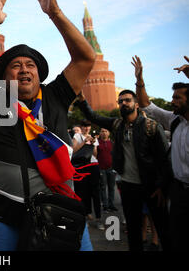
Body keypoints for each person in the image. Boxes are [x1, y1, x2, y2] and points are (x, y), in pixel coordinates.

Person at [0, 0, 96, 251]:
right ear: (5, 78)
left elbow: (85, 57)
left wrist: (55, 13)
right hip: (10, 215)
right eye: (15, 65)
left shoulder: (54, 95)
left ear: (38, 73)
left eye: (30, 65)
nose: (24, 69)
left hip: (62, 209)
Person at [73, 89, 171, 251]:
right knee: (133, 231)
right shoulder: (117, 125)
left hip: (152, 186)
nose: (123, 103)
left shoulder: (152, 126)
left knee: (163, 229)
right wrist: (83, 101)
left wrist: (162, 186)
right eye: (120, 101)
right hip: (129, 186)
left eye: (127, 100)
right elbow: (94, 117)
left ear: (136, 104)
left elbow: (164, 160)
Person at [132, 54, 189, 251]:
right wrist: (139, 82)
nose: (172, 101)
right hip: (179, 192)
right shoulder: (175, 121)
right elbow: (148, 106)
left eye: (177, 98)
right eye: (173, 97)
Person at [72, 119, 103, 230]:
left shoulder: (93, 137)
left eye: (88, 126)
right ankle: (85, 216)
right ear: (81, 127)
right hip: (82, 166)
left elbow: (95, 154)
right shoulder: (77, 136)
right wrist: (84, 142)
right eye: (85, 126)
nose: (87, 128)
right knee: (83, 192)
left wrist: (94, 143)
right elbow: (73, 151)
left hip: (93, 165)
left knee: (96, 192)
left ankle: (98, 219)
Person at [97, 127, 117, 213]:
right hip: (101, 168)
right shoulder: (97, 143)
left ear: (109, 133)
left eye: (106, 131)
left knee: (111, 187)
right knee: (103, 187)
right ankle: (105, 206)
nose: (104, 133)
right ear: (100, 133)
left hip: (111, 168)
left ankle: (111, 205)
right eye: (102, 131)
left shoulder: (112, 143)